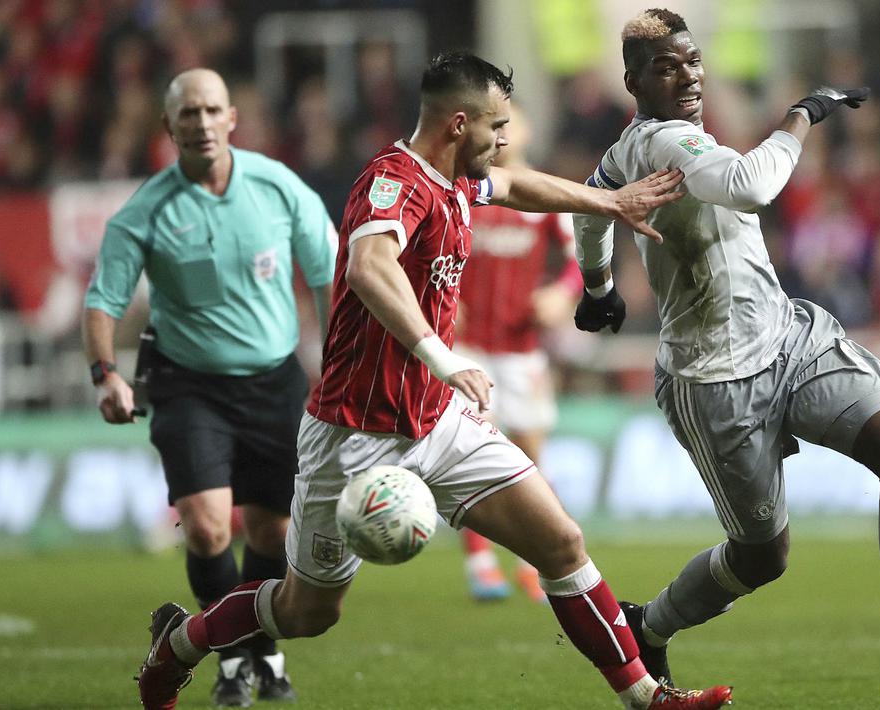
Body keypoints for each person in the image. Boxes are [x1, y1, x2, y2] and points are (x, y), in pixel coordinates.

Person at [136, 52, 733, 710]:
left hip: (437, 418)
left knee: (561, 541)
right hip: (354, 433)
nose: (503, 139)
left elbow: (515, 185)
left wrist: (610, 201)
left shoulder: (458, 179)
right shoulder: (393, 182)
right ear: (458, 124)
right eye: (496, 126)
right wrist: (440, 356)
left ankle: (647, 699)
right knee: (307, 612)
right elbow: (368, 266)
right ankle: (179, 643)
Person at [571, 9, 880, 710]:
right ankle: (648, 625)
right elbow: (752, 185)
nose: (688, 77)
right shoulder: (666, 141)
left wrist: (599, 285)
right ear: (633, 81)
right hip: (714, 379)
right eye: (666, 67)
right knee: (761, 556)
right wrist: (801, 116)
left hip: (789, 338)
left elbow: (588, 204)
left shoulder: (625, 151)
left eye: (693, 60)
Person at [84, 68, 336, 707]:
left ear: (231, 119)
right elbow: (103, 299)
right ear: (169, 127)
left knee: (272, 534)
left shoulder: (278, 187)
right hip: (187, 384)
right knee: (206, 528)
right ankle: (231, 660)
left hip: (274, 380)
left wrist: (337, 361)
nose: (200, 123)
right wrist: (104, 374)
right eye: (187, 114)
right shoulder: (145, 211)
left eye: (210, 110)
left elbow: (329, 274)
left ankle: (262, 651)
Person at [454, 104, 581, 603]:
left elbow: (579, 261)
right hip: (466, 349)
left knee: (529, 457)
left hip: (521, 348)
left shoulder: (541, 193)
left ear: (527, 132)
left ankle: (533, 562)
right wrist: (441, 298)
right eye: (496, 126)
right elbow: (426, 249)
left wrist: (562, 294)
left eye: (512, 124)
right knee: (468, 454)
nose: (504, 134)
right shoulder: (464, 189)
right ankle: (480, 563)